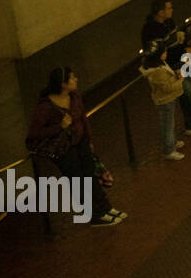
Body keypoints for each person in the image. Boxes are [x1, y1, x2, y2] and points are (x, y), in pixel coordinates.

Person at [25, 68, 123, 225]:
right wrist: (60, 127)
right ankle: (93, 215)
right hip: (64, 150)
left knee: (90, 174)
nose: (76, 79)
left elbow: (83, 119)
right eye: (72, 78)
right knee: (77, 180)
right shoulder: (45, 107)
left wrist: (89, 139)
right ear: (63, 84)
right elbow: (34, 134)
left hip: (81, 143)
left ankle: (105, 207)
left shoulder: (74, 97)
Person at [140, 0, 191, 137]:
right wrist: (183, 51)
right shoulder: (150, 30)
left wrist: (186, 48)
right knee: (189, 93)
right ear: (160, 12)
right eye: (169, 8)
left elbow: (178, 41)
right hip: (173, 65)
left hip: (185, 59)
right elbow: (162, 52)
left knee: (189, 91)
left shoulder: (169, 22)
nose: (172, 10)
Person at [140, 44, 191, 161]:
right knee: (167, 124)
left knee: (169, 122)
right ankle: (169, 150)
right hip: (165, 99)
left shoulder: (159, 65)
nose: (166, 54)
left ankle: (172, 142)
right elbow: (167, 88)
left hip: (167, 98)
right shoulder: (157, 71)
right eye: (164, 53)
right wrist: (181, 79)